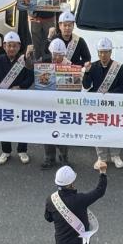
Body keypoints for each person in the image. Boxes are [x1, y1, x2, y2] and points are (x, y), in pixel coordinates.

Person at [0, 31, 34, 165]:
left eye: (14, 46)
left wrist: (20, 86)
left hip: (20, 96)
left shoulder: (24, 59)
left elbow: (31, 77)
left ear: (19, 46)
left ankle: (22, 150)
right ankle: (6, 151)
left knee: (22, 123)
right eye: (9, 45)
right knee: (5, 123)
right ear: (4, 46)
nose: (11, 48)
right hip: (4, 98)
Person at [83, 37, 123, 170]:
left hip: (114, 104)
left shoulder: (118, 67)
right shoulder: (93, 66)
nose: (103, 55)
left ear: (110, 52)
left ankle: (115, 155)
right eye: (101, 52)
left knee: (114, 129)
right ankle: (101, 157)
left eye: (106, 52)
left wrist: (111, 94)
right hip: (98, 105)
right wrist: (87, 72)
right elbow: (86, 85)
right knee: (99, 129)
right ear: (97, 53)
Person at [40, 38, 75, 169]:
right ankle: (49, 157)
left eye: (60, 54)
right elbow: (40, 83)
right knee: (47, 130)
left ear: (64, 54)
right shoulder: (44, 66)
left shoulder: (70, 66)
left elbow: (75, 88)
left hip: (63, 105)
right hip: (48, 103)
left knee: (63, 131)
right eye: (54, 54)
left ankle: (64, 157)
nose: (57, 57)